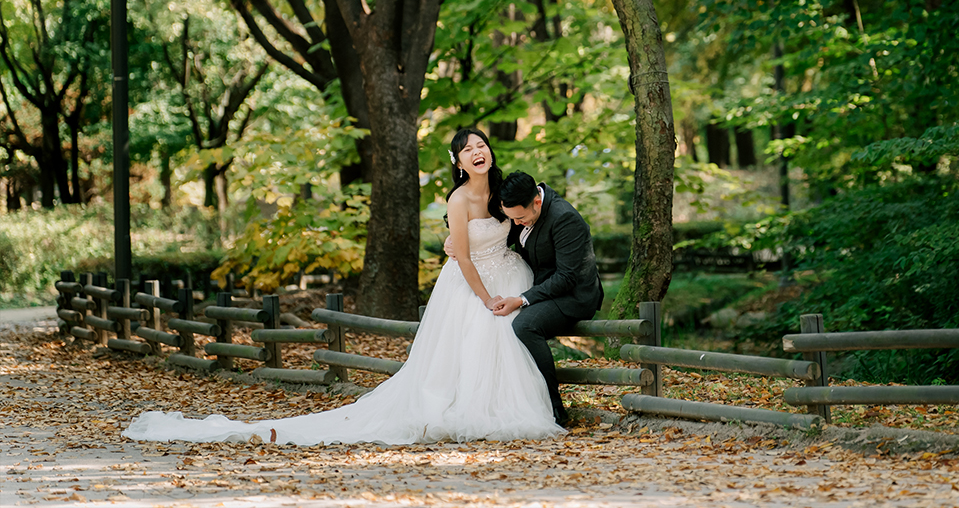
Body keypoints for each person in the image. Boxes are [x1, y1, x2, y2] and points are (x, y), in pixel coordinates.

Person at [122, 128, 564, 446]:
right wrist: (486, 298)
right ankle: (473, 411)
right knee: (476, 339)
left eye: (481, 145)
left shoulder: (506, 188)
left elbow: (527, 218)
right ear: (458, 162)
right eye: (467, 150)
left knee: (508, 342)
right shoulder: (458, 199)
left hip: (510, 275)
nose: (477, 153)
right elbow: (463, 255)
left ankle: (529, 405)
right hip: (472, 283)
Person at [489, 171, 605, 428]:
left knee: (524, 325)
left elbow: (566, 277)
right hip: (542, 289)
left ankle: (553, 408)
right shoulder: (521, 213)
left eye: (520, 218)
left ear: (537, 202)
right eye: (512, 218)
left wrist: (521, 299)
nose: (516, 224)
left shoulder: (565, 219)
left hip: (574, 296)